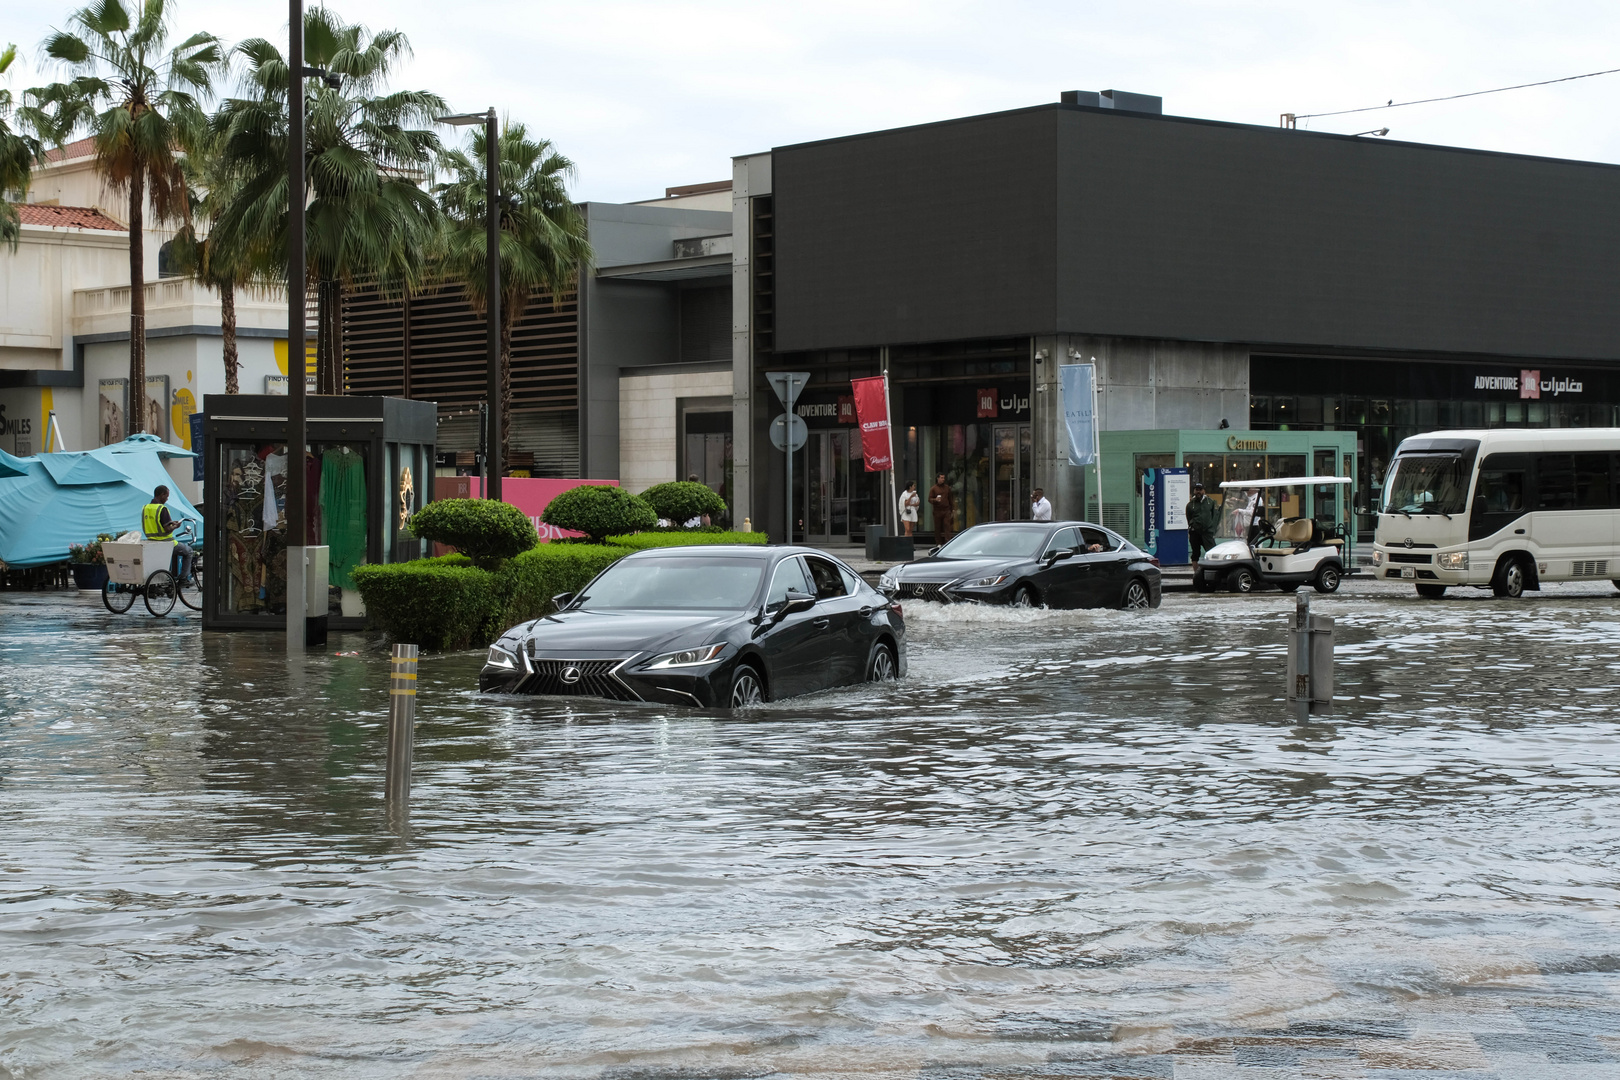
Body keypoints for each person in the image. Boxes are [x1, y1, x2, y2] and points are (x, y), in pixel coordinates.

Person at [142, 485, 195, 583]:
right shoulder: (162, 509)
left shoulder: (146, 508)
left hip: (151, 542)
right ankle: (183, 578)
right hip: (166, 542)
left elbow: (156, 523)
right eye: (166, 496)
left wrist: (171, 523)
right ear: (162, 495)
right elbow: (167, 529)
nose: (167, 499)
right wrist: (175, 526)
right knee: (189, 551)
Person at [1185, 481, 1220, 563]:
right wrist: (1193, 525)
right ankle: (1196, 574)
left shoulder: (1210, 502)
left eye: (1200, 489)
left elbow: (1215, 516)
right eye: (1196, 489)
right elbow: (1189, 518)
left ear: (1204, 491)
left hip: (1207, 532)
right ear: (1194, 491)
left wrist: (1212, 528)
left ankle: (1213, 571)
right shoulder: (1190, 504)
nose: (1198, 492)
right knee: (1195, 553)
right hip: (1195, 532)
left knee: (1212, 552)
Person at [928, 473, 956, 543]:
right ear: (938, 478)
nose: (943, 479)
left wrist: (952, 508)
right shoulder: (933, 488)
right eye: (941, 478)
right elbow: (929, 499)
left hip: (946, 510)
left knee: (947, 526)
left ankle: (948, 541)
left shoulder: (947, 488)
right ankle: (938, 543)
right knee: (938, 527)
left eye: (943, 478)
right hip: (937, 510)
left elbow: (950, 498)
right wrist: (935, 500)